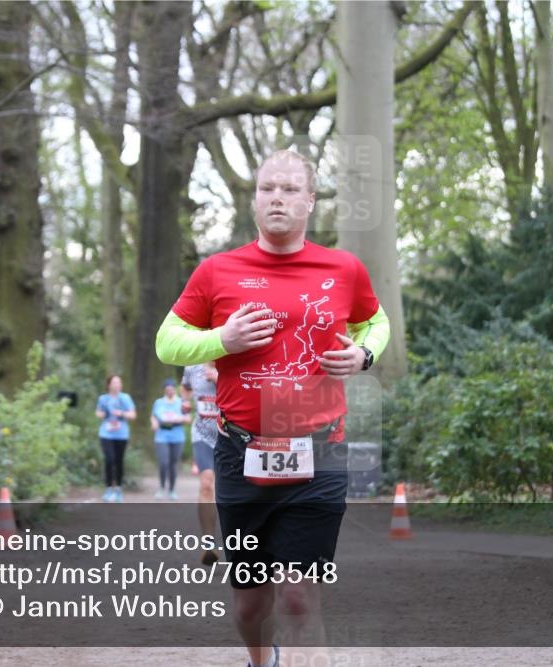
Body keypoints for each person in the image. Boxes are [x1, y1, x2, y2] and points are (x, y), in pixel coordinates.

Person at [155, 150, 390, 667]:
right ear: (255, 200)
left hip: (320, 454)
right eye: (267, 189)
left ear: (309, 200)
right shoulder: (217, 271)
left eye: (288, 189)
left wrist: (364, 353)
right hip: (241, 456)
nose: (276, 197)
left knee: (300, 596)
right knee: (250, 603)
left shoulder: (343, 268)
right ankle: (263, 660)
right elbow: (166, 343)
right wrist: (222, 338)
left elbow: (376, 322)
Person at [181, 361, 220, 565]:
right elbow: (186, 387)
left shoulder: (234, 361)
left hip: (230, 435)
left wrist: (219, 379)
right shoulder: (192, 366)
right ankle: (208, 542)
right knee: (206, 484)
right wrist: (185, 402)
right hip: (202, 434)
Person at [94, 375, 137, 502]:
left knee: (119, 461)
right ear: (109, 385)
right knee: (109, 459)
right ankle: (108, 489)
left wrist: (121, 413)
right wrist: (104, 414)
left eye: (119, 382)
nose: (118, 385)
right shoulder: (103, 399)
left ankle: (118, 489)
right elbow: (98, 413)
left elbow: (133, 415)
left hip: (121, 434)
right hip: (106, 433)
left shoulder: (125, 398)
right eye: (115, 382)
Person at [151, 378, 190, 500]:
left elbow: (188, 419)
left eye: (172, 389)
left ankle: (172, 490)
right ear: (164, 390)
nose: (170, 391)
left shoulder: (182, 402)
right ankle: (162, 488)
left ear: (175, 390)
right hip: (162, 436)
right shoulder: (158, 402)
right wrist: (154, 423)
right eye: (168, 389)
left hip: (177, 436)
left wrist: (178, 419)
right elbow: (153, 416)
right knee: (163, 463)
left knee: (173, 464)